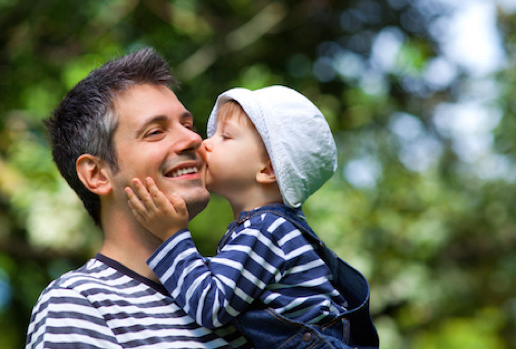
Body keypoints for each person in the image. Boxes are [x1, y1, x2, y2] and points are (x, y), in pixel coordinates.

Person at [25, 48, 253, 349]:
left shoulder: (238, 285)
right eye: (156, 132)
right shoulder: (77, 304)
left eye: (187, 124)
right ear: (96, 175)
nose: (193, 139)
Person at [125, 86, 379, 349]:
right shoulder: (274, 229)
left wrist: (172, 237)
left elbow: (210, 306)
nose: (204, 143)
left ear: (268, 168)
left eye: (225, 137)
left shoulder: (266, 231)